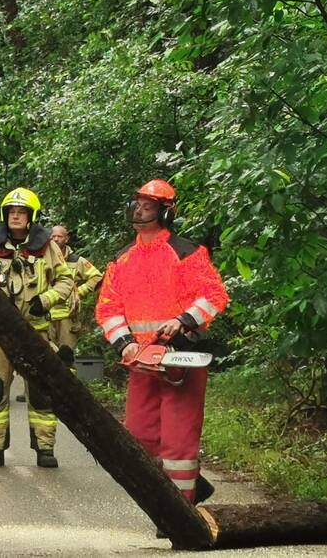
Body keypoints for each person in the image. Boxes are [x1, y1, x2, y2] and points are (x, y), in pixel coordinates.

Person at [95, 179, 228, 503]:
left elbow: (214, 295)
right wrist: (124, 342)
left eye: (148, 205)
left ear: (165, 212)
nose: (140, 209)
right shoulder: (122, 259)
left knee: (178, 440)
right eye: (138, 203)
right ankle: (167, 496)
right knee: (140, 437)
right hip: (142, 358)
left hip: (182, 356)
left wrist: (184, 320)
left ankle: (181, 508)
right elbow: (108, 308)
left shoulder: (187, 253)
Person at [0, 188, 75, 468]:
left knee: (41, 392)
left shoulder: (47, 247)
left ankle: (44, 448)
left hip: (36, 332)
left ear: (31, 217)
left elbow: (65, 281)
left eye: (21, 212)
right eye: (11, 211)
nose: (15, 215)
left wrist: (45, 301)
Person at [48, 225, 103, 366]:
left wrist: (79, 292)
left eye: (59, 236)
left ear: (66, 239)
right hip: (45, 317)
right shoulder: (43, 259)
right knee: (46, 359)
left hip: (68, 317)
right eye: (53, 236)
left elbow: (97, 277)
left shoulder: (76, 260)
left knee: (67, 359)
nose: (55, 239)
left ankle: (66, 387)